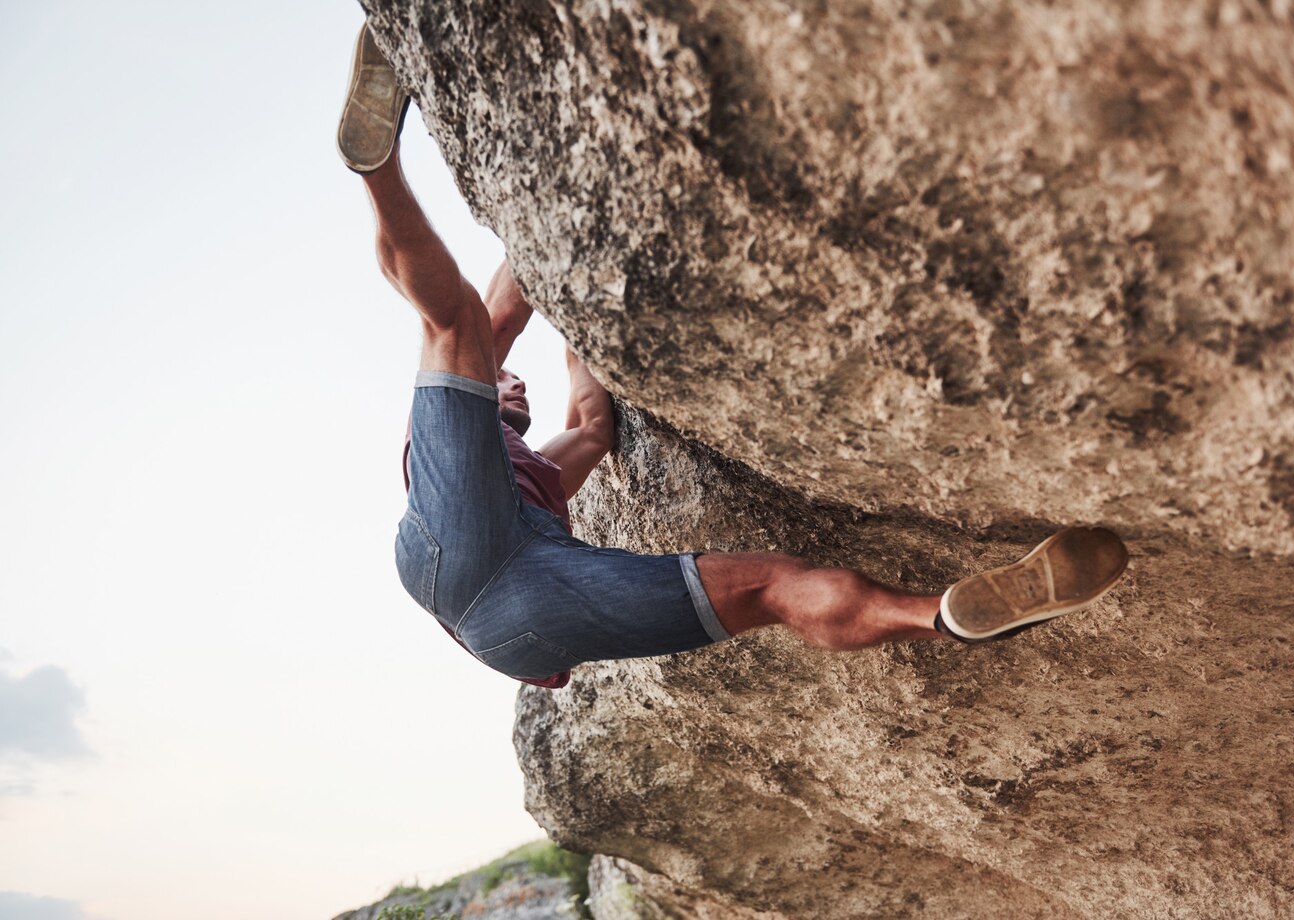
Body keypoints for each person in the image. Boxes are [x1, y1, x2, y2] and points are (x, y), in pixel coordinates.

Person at [338, 26, 1130, 690]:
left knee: (772, 590)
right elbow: (492, 323)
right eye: (505, 387)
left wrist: (581, 331)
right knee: (455, 325)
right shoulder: (442, 457)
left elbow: (591, 422)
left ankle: (939, 615)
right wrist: (544, 245)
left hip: (520, 630)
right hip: (457, 556)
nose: (508, 383)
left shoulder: (542, 477)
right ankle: (377, 165)